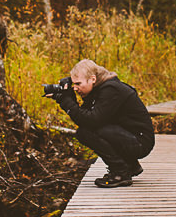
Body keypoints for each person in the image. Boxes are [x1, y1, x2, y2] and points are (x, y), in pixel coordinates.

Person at [47, 59, 154, 188]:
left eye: (78, 84)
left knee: (86, 132)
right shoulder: (100, 88)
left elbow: (91, 121)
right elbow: (83, 116)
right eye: (73, 84)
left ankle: (120, 172)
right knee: (85, 131)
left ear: (92, 79)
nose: (75, 88)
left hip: (140, 142)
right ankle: (130, 165)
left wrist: (67, 101)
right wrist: (68, 97)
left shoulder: (111, 89)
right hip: (130, 136)